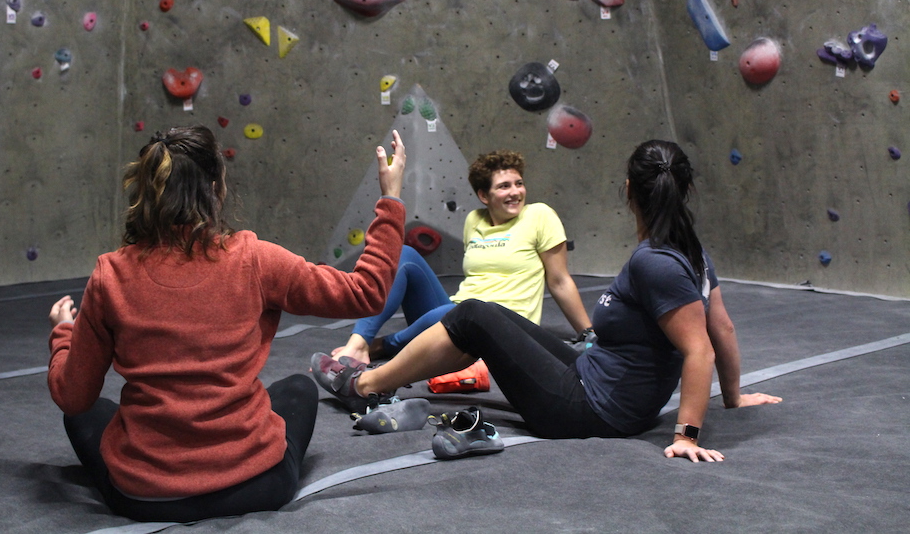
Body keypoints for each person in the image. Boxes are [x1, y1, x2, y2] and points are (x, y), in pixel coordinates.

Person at [314, 140, 781, 461]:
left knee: (473, 314)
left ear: (628, 191)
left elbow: (700, 346)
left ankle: (364, 385)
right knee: (487, 314)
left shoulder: (655, 262)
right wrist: (734, 397)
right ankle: (376, 371)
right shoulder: (690, 252)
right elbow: (723, 328)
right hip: (596, 380)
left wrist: (687, 435)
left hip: (591, 411)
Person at [46, 126, 406, 522]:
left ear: (145, 194)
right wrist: (390, 199)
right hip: (257, 486)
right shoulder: (254, 258)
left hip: (146, 498)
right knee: (300, 388)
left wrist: (64, 333)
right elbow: (366, 292)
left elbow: (73, 396)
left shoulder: (110, 275)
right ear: (217, 187)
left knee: (82, 412)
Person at [331, 149, 591, 366]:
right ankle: (358, 343)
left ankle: (383, 346)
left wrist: (589, 334)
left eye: (519, 183)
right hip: (454, 314)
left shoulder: (540, 216)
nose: (515, 192)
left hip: (501, 325)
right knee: (403, 255)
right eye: (504, 186)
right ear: (483, 195)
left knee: (461, 312)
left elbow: (559, 281)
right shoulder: (474, 220)